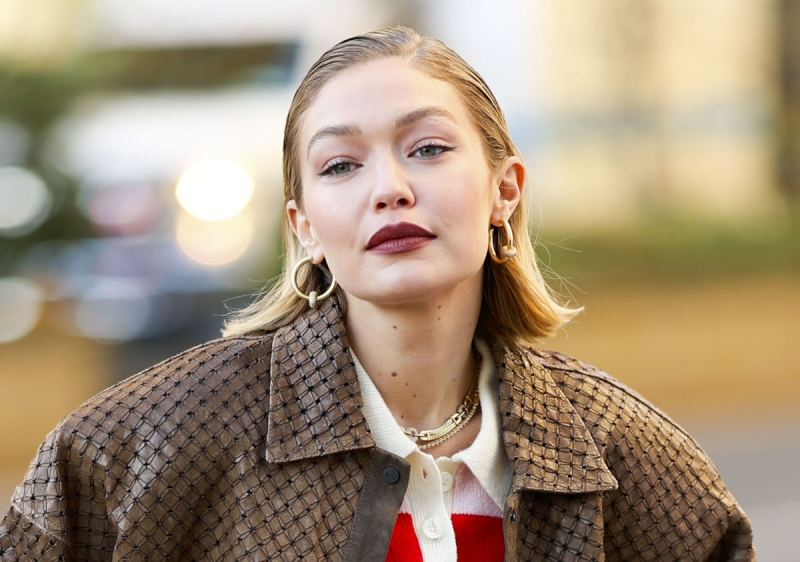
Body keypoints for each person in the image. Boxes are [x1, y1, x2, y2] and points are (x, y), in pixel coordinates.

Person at [0, 27, 754, 562]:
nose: (389, 189)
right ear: (304, 228)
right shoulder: (145, 445)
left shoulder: (618, 452)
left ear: (505, 190)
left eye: (427, 148)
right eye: (340, 165)